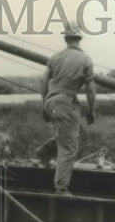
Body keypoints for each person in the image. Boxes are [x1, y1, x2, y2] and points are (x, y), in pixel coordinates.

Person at [34, 23, 97, 195]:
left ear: (66, 38)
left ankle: (45, 151)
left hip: (52, 105)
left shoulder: (55, 57)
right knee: (69, 147)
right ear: (80, 38)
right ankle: (61, 188)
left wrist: (45, 104)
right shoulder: (85, 60)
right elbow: (90, 89)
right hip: (64, 105)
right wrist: (91, 110)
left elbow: (43, 81)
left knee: (70, 132)